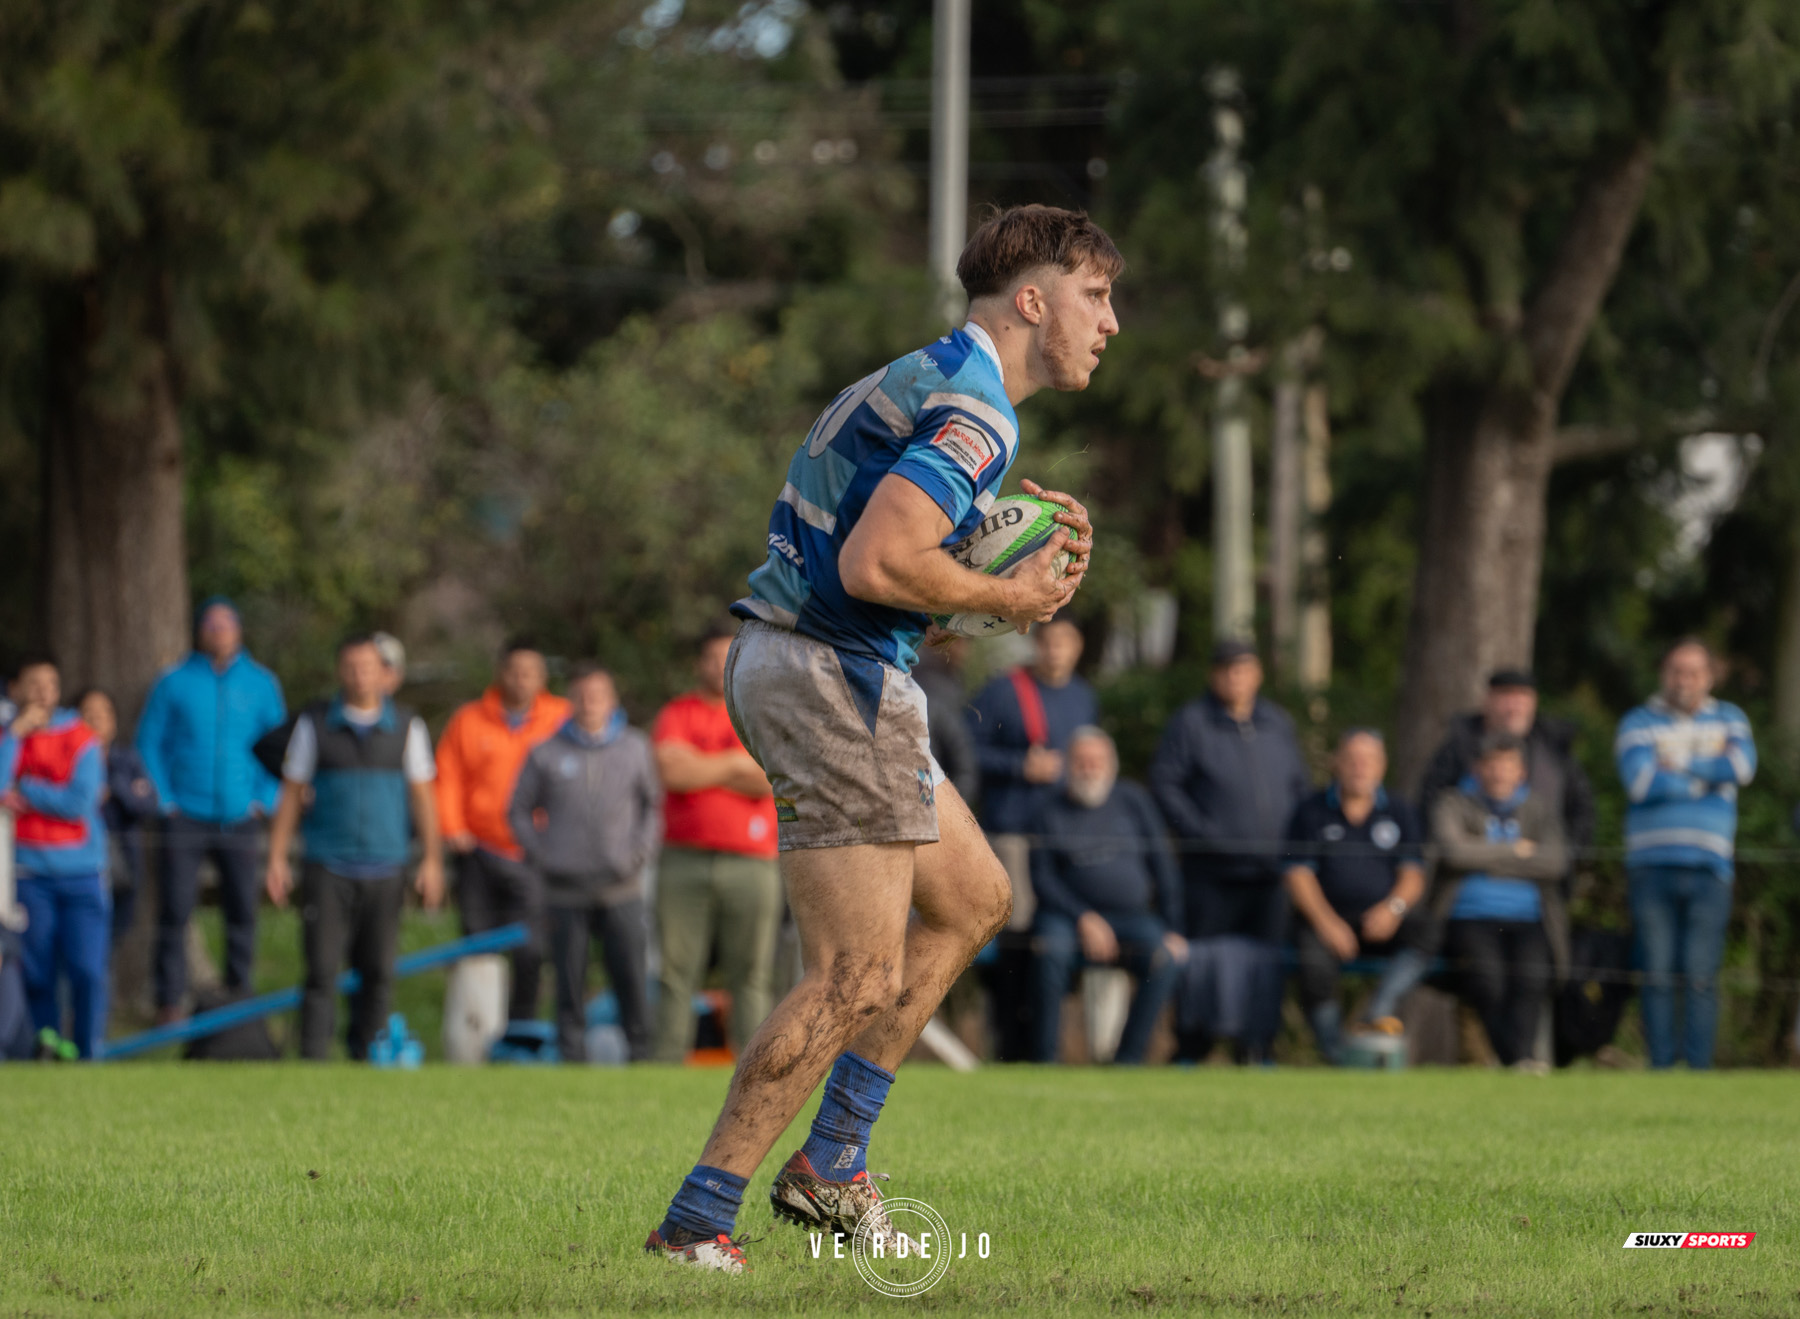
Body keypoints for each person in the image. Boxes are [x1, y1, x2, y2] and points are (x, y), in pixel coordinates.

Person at [645, 204, 1114, 1272]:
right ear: (1032, 301)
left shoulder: (928, 377)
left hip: (817, 661)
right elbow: (873, 567)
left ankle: (831, 1160)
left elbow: (885, 567)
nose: (1111, 320)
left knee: (974, 896)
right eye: (1096, 295)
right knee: (856, 972)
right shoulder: (976, 413)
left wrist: (984, 578)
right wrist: (1013, 593)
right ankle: (697, 1220)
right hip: (830, 674)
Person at [264, 636, 444, 1060]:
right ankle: (314, 1056)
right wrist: (277, 857)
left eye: (369, 666)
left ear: (384, 673)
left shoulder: (406, 725)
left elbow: (423, 796)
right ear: (339, 671)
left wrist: (432, 861)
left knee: (379, 971)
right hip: (328, 864)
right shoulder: (316, 725)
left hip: (387, 864)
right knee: (322, 970)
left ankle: (370, 1053)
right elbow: (291, 794)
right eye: (351, 666)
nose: (360, 674)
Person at [136, 597, 287, 1022]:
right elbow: (150, 742)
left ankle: (239, 993)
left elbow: (280, 748)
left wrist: (264, 797)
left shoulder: (261, 683)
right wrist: (164, 801)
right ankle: (170, 1000)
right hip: (185, 815)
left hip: (240, 816)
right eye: (211, 625)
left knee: (241, 908)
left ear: (239, 631)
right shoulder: (174, 681)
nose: (218, 632)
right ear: (200, 632)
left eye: (226, 625)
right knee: (175, 909)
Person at [1614, 638, 1755, 1070]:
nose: (1684, 680)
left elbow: (1742, 769)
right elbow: (1640, 783)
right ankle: (1660, 1066)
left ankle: (1698, 1069)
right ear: (1664, 673)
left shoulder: (1731, 719)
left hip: (1711, 867)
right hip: (1650, 867)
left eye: (1693, 671)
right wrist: (1705, 771)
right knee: (1656, 973)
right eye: (1677, 670)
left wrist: (1675, 761)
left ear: (1709, 676)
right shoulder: (1638, 721)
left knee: (1700, 974)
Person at [510, 664, 660, 1063]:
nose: (590, 703)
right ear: (569, 700)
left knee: (630, 977)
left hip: (621, 886)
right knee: (568, 981)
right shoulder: (544, 751)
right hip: (564, 889)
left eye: (598, 695)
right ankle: (571, 1058)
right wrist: (543, 854)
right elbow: (519, 810)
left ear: (612, 701)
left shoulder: (634, 747)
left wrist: (639, 854)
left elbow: (653, 808)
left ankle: (641, 1056)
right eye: (581, 695)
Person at [648, 625, 781, 1065]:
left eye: (729, 657)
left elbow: (769, 777)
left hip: (753, 862)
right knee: (674, 971)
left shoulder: (762, 708)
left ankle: (754, 1069)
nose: (719, 666)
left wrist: (702, 764)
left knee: (752, 974)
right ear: (698, 664)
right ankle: (668, 1063)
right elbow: (672, 772)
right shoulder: (677, 713)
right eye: (711, 657)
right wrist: (734, 765)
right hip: (682, 859)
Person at [1027, 727, 1183, 1064]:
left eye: (1096, 761)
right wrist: (1084, 918)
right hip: (1066, 917)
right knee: (1049, 952)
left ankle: (1128, 1061)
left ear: (1111, 765)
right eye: (1081, 762)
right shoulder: (1047, 810)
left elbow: (1164, 865)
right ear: (1069, 765)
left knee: (1164, 959)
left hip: (1132, 917)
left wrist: (1173, 927)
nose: (1089, 768)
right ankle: (1045, 1060)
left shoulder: (1134, 801)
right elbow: (1042, 879)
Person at [434, 639, 571, 1024]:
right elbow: (447, 777)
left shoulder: (562, 718)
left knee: (531, 949)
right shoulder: (468, 719)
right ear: (500, 673)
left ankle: (520, 1028)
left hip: (536, 853)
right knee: (478, 947)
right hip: (479, 850)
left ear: (542, 677)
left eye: (530, 672)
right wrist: (453, 827)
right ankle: (479, 1029)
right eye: (514, 671)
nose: (521, 680)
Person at [1283, 729, 1430, 1062]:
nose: (1359, 767)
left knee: (1428, 930)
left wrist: (1392, 909)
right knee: (1312, 961)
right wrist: (1327, 923)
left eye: (1368, 760)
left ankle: (1378, 1010)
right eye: (1351, 760)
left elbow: (1413, 875)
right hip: (1326, 920)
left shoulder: (1400, 810)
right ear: (1337, 764)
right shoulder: (1309, 810)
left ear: (1382, 766)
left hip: (1383, 920)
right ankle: (1337, 1054)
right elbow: (1298, 875)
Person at [1150, 639, 1310, 945]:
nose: (1235, 677)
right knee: (1206, 967)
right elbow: (1165, 785)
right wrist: (1202, 833)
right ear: (1213, 675)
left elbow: (1299, 784)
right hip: (1212, 876)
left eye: (1243, 669)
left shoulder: (1277, 723)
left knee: (1267, 968)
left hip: (1271, 875)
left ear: (1258, 674)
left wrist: (1295, 839)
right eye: (1226, 670)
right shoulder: (1191, 723)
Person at [1431, 734, 1570, 1070]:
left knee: (1531, 980)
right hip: (1470, 914)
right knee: (1488, 981)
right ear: (1478, 768)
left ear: (1520, 771)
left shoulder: (1538, 808)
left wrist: (1481, 854)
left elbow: (1555, 862)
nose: (1498, 773)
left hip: (1528, 916)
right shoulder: (1453, 803)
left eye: (1507, 766)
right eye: (1491, 765)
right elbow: (1453, 853)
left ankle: (1517, 1059)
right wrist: (1515, 851)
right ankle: (1519, 1059)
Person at [0, 654, 110, 1057]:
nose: (44, 694)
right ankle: (48, 1049)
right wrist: (13, 737)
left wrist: (26, 789)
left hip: (82, 873)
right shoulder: (8, 735)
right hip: (29, 873)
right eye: (34, 685)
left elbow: (78, 802)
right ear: (14, 690)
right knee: (38, 970)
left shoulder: (81, 737)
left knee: (87, 970)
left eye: (51, 684)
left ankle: (87, 1050)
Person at [965, 615, 1097, 928]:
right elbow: (964, 751)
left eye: (1063, 643)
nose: (1055, 651)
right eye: (1048, 642)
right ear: (1035, 644)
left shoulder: (1084, 696)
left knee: (1064, 921)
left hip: (1065, 830)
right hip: (1014, 830)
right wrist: (1019, 765)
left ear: (1078, 648)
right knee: (1016, 922)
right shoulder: (1003, 689)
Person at [1419, 668, 1594, 870]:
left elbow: (1580, 811)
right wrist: (1513, 851)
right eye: (1506, 697)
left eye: (1521, 698)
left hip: (1537, 883)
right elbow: (1431, 807)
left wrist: (1566, 861)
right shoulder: (1458, 746)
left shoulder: (1554, 748)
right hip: (1467, 877)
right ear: (1487, 700)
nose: (1513, 707)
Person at [75, 689, 158, 943]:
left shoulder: (127, 759)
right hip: (79, 865)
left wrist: (116, 787)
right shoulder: (68, 761)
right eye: (88, 713)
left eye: (103, 713)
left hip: (123, 863)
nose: (96, 720)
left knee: (114, 935)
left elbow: (147, 804)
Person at [911, 641, 978, 805]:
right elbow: (963, 760)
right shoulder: (938, 686)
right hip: (926, 787)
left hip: (917, 785)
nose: (965, 651)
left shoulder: (910, 671)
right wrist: (954, 809)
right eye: (959, 642)